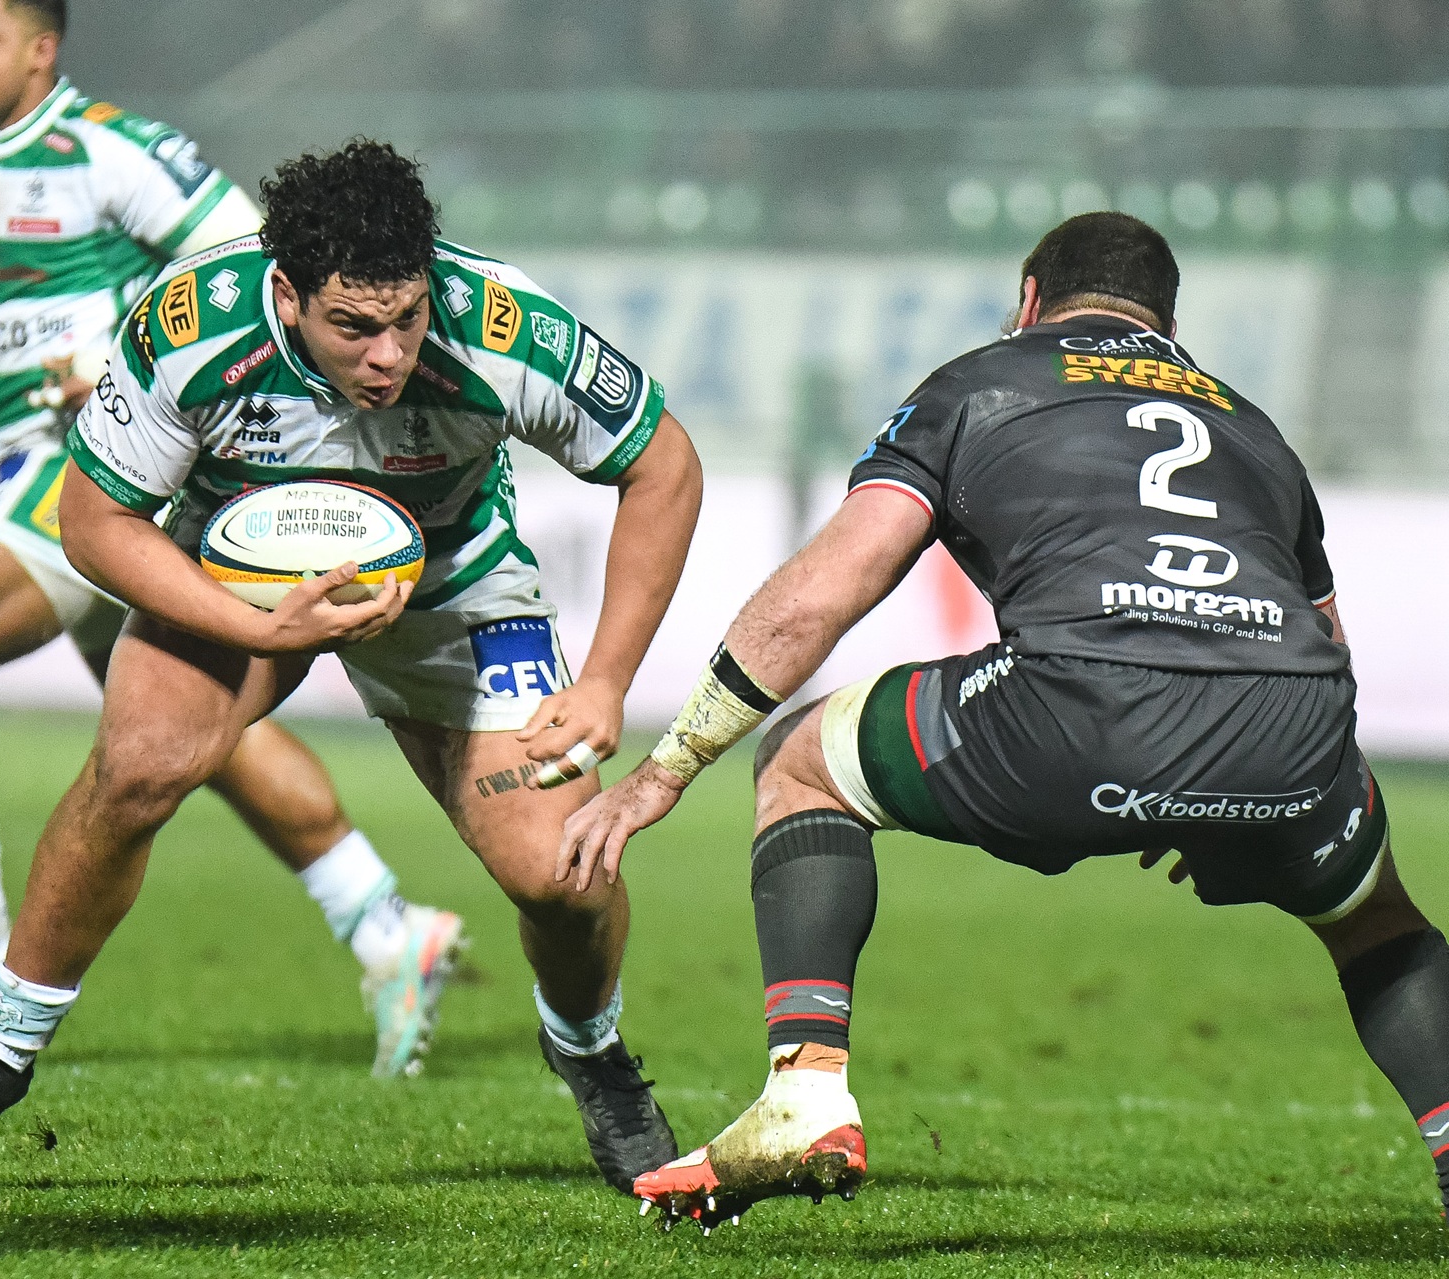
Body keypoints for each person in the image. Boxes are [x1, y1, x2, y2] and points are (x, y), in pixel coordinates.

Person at [565, 212, 1449, 1229]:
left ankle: (806, 1091)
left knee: (802, 762)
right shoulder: (1254, 427)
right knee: (1379, 919)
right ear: (1168, 323)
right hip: (1294, 728)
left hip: (1080, 708)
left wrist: (664, 769)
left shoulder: (979, 384)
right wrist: (1227, 787)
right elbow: (1326, 639)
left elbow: (820, 596)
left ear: (1029, 299)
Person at [0, 139, 706, 1193]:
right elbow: (92, 521)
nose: (389, 355)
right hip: (238, 573)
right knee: (138, 766)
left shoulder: (504, 326)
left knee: (564, 878)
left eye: (407, 319)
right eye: (354, 326)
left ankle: (591, 1051)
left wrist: (606, 680)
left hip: (450, 586)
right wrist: (257, 627)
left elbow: (665, 463)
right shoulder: (193, 324)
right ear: (287, 294)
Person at [0, 0, 464, 1075]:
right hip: (7, 466)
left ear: (41, 48)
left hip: (92, 470)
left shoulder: (115, 151)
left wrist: (120, 361)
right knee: (186, 732)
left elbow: (245, 265)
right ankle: (384, 923)